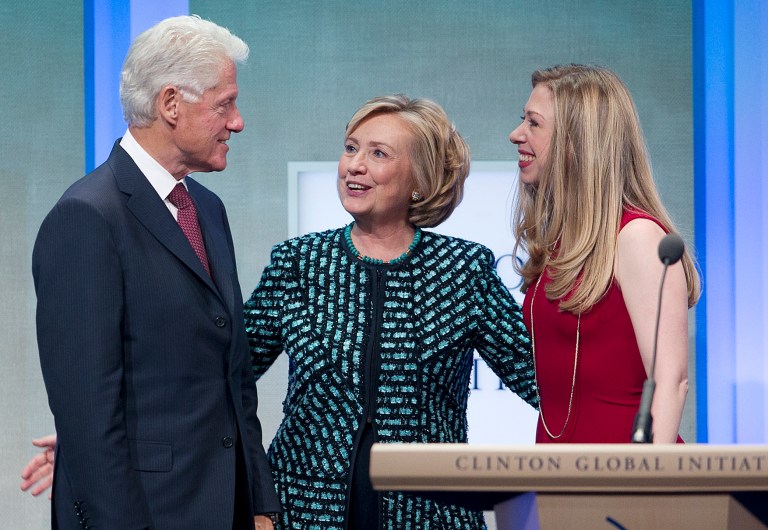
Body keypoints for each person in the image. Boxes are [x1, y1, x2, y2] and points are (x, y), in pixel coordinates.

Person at [31, 15, 280, 529]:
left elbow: (234, 378)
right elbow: (87, 411)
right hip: (143, 513)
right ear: (171, 104)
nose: (238, 122)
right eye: (225, 104)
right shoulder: (87, 216)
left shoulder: (206, 209)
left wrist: (259, 503)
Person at [244, 94, 537, 529]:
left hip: (430, 515)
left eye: (378, 153)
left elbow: (542, 382)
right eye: (351, 148)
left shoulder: (464, 269)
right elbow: (225, 383)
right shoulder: (298, 263)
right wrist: (254, 497)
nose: (354, 165)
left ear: (419, 179)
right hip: (300, 512)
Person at [509, 64, 701, 444]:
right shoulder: (560, 242)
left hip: (625, 481)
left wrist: (642, 488)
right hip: (556, 475)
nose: (516, 135)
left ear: (576, 141)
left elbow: (671, 382)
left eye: (534, 123)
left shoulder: (638, 237)